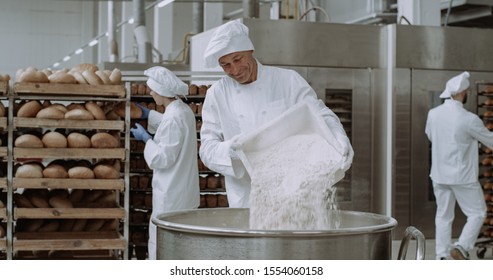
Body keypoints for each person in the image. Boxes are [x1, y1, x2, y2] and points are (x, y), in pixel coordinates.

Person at [199, 19, 353, 208]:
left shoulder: (287, 80)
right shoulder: (217, 93)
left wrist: (338, 137)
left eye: (238, 59)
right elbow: (206, 149)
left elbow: (320, 115)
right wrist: (230, 149)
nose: (235, 70)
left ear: (250, 50)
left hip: (293, 190)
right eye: (226, 65)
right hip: (246, 198)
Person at [130, 66, 200, 260]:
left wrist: (146, 139)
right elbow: (171, 127)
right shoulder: (182, 110)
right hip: (183, 191)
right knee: (182, 245)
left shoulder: (175, 117)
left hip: (172, 194)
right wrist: (148, 115)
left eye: (153, 90)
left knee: (164, 245)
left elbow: (162, 158)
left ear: (161, 92)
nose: (151, 93)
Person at [425, 71, 491, 260]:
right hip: (462, 176)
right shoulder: (468, 119)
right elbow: (490, 140)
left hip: (439, 174)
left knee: (444, 216)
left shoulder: (433, 114)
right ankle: (462, 246)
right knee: (478, 212)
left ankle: (442, 256)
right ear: (462, 93)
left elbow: (431, 136)